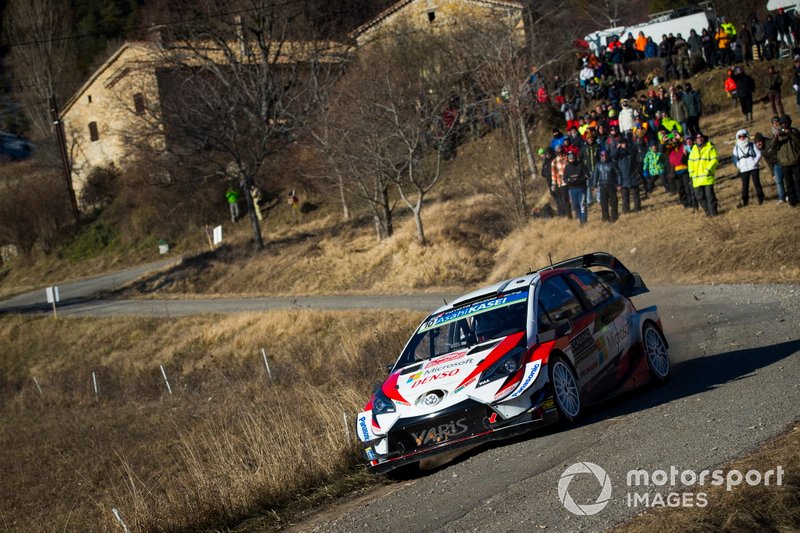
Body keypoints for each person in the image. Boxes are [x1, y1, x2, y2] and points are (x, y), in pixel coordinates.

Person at [768, 114, 800, 206]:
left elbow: (798, 142)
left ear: (789, 123)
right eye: (782, 123)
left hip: (796, 161)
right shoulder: (777, 133)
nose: (784, 125)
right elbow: (772, 146)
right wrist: (776, 136)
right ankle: (792, 202)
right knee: (789, 183)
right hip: (784, 163)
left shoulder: (795, 131)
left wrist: (789, 133)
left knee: (798, 182)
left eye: (786, 123)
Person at [688, 132, 719, 216]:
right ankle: (707, 211)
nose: (699, 139)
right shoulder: (693, 149)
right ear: (695, 140)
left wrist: (707, 170)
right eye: (697, 138)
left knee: (710, 196)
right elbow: (690, 162)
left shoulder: (710, 148)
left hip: (707, 177)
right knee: (699, 197)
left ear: (704, 138)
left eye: (701, 137)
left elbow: (714, 160)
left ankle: (713, 213)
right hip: (696, 178)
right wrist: (691, 173)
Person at [731, 130, 764, 206]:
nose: (742, 138)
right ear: (737, 137)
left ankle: (761, 199)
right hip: (743, 169)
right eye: (740, 136)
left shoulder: (752, 145)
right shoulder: (736, 148)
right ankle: (745, 202)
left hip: (754, 168)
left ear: (747, 136)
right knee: (745, 185)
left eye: (744, 136)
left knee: (757, 183)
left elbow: (758, 154)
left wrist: (754, 162)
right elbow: (734, 159)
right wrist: (739, 166)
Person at [755, 132, 784, 202]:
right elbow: (768, 161)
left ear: (762, 141)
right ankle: (782, 198)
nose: (758, 144)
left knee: (788, 180)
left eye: (759, 142)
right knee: (778, 181)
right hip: (776, 164)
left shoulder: (769, 143)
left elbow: (775, 143)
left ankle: (793, 195)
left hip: (783, 162)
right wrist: (772, 173)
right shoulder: (761, 150)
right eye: (756, 142)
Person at [592, 150, 620, 222]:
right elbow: (595, 175)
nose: (604, 156)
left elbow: (618, 173)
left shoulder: (612, 163)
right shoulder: (598, 165)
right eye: (602, 155)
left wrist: (619, 184)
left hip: (611, 185)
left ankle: (614, 217)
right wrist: (595, 185)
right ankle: (605, 218)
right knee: (603, 203)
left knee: (613, 202)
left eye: (605, 155)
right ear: (600, 156)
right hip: (602, 185)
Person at [563, 152, 590, 224]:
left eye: (572, 157)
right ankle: (581, 219)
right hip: (572, 189)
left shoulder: (581, 165)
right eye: (570, 158)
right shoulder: (567, 167)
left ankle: (584, 221)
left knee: (582, 204)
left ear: (575, 157)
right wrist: (569, 181)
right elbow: (564, 178)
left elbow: (588, 175)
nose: (571, 159)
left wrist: (580, 179)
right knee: (575, 205)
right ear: (568, 159)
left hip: (581, 188)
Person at [616, 138, 641, 213]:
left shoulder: (630, 149)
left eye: (624, 143)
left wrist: (625, 147)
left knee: (635, 194)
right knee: (625, 196)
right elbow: (613, 155)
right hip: (623, 177)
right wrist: (618, 148)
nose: (624, 144)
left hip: (632, 174)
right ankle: (626, 210)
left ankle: (637, 208)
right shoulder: (618, 153)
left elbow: (633, 153)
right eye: (622, 143)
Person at [551, 145, 572, 218]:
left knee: (572, 198)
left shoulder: (567, 158)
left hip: (570, 181)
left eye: (560, 150)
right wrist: (553, 184)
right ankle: (569, 216)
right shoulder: (554, 161)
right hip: (561, 183)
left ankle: (577, 211)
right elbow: (553, 173)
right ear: (556, 152)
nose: (559, 152)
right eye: (558, 151)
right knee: (565, 200)